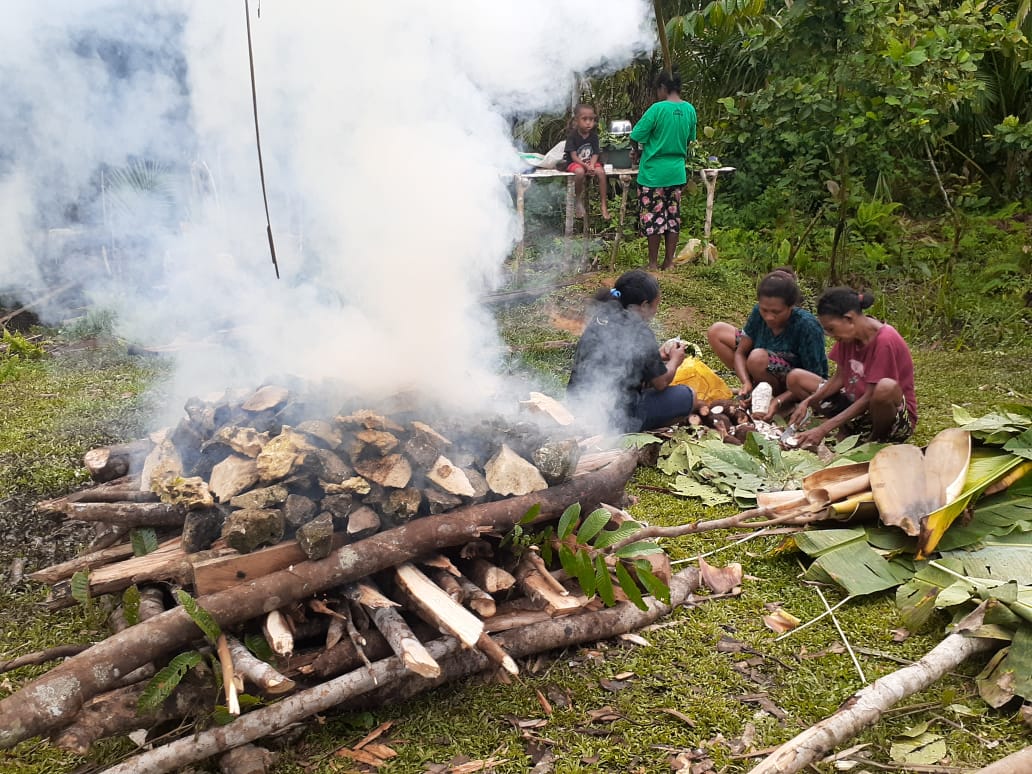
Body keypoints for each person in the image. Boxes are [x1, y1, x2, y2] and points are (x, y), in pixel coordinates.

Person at [567, 269, 695, 432]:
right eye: (656, 305)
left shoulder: (602, 314)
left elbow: (617, 358)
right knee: (688, 395)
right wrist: (675, 360)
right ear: (643, 305)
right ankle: (632, 433)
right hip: (613, 419)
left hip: (576, 406)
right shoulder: (640, 331)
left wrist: (656, 357)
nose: (656, 311)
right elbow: (661, 383)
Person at [787, 287, 917, 446]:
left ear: (849, 319)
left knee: (885, 388)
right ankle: (849, 428)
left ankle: (875, 441)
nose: (831, 335)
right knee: (797, 378)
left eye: (831, 329)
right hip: (856, 405)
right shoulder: (848, 337)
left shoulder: (885, 340)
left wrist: (823, 429)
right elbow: (839, 378)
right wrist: (808, 401)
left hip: (890, 417)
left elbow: (870, 397)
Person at [707, 268, 829, 419]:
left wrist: (778, 400)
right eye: (765, 310)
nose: (769, 317)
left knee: (757, 358)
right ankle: (754, 390)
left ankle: (781, 402)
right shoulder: (758, 312)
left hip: (795, 382)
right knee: (717, 331)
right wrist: (745, 382)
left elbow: (814, 377)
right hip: (762, 362)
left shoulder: (807, 326)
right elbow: (740, 352)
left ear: (791, 307)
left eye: (776, 312)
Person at [629, 71, 697, 270]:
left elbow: (636, 135)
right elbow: (690, 139)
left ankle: (652, 264)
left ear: (662, 88)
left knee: (653, 217)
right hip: (676, 172)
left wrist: (636, 151)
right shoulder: (689, 110)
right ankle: (669, 262)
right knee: (672, 217)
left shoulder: (657, 109)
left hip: (653, 174)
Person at [559, 103, 610, 220]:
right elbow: (573, 155)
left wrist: (591, 165)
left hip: (590, 162)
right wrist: (586, 166)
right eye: (584, 119)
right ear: (577, 120)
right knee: (580, 172)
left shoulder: (594, 136)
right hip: (575, 163)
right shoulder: (572, 136)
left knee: (601, 173)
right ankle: (578, 200)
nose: (588, 122)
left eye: (591, 119)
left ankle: (603, 204)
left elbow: (596, 153)